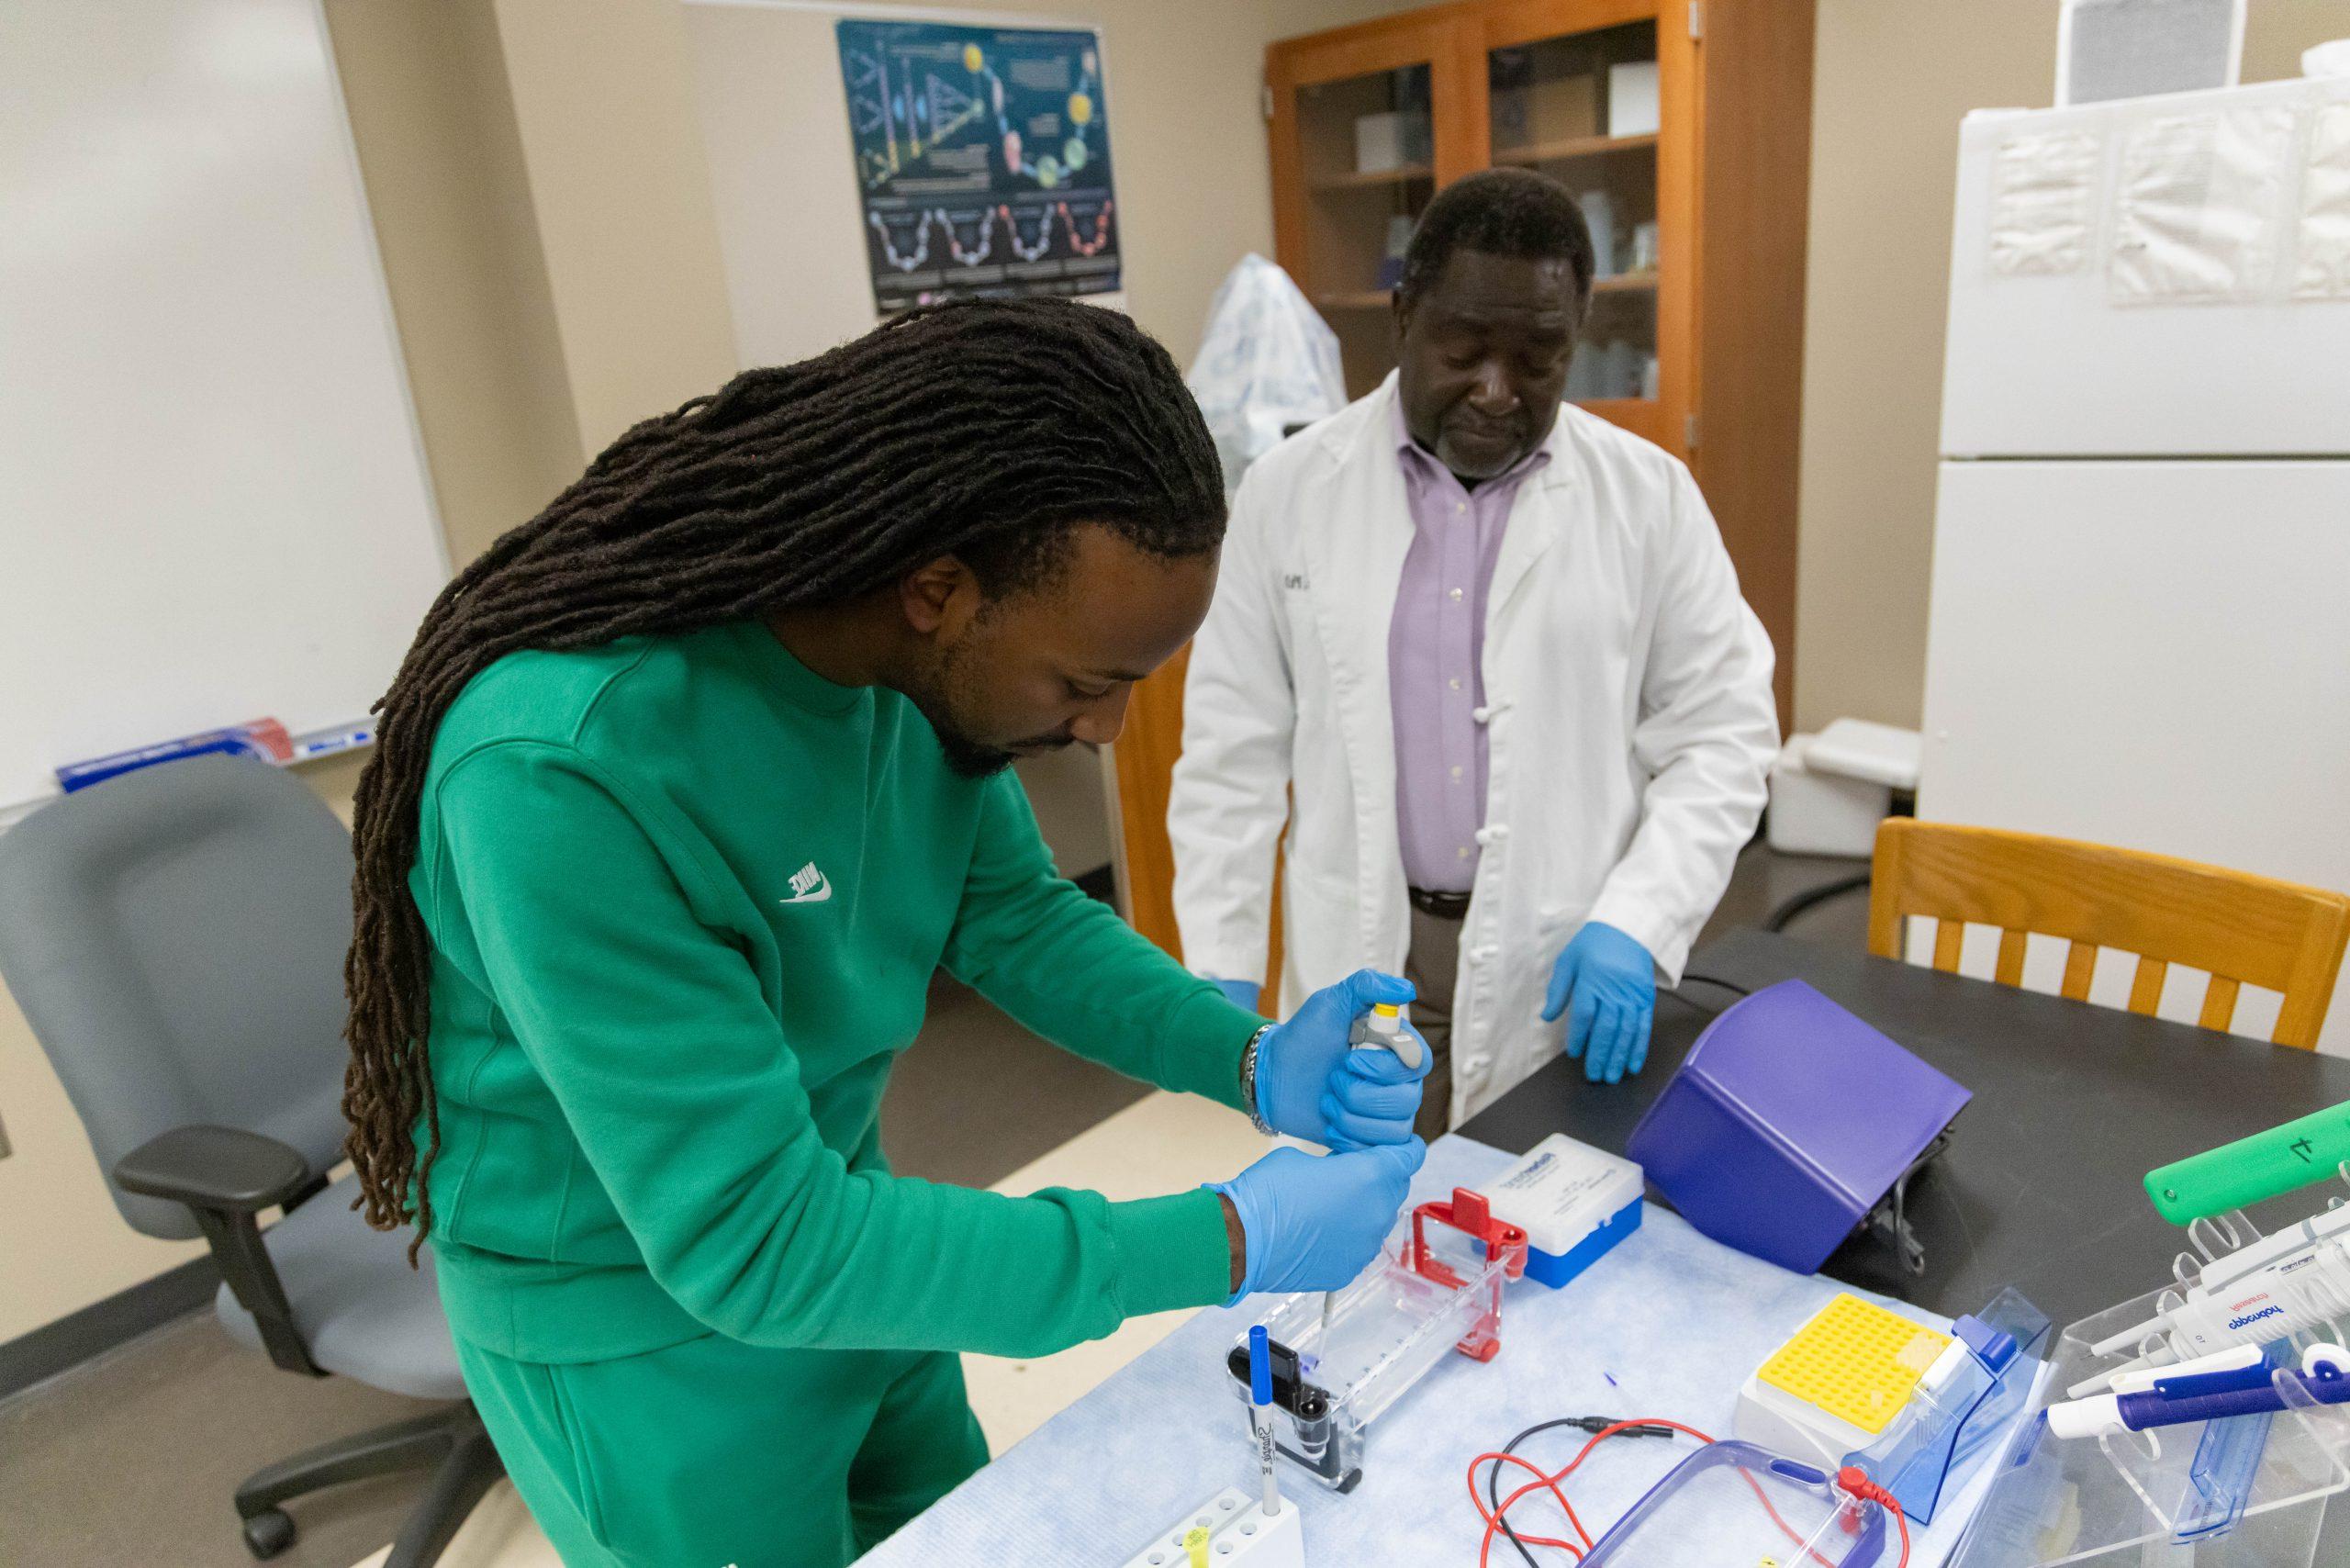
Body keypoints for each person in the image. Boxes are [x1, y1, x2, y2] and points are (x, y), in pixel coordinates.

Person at [338, 301, 1432, 1568]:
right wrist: (1224, 1239)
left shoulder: (914, 678)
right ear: (937, 590)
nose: (1106, 732)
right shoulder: (562, 767)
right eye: (1085, 685)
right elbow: (752, 1242)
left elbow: (1011, 914)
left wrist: (1244, 1058)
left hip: (851, 1238)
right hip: (642, 1339)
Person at [1169, 168, 1777, 1138]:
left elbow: (1724, 733)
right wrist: (1220, 973)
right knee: (1363, 1236)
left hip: (1557, 950)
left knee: (1536, 1235)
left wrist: (1640, 916)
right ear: (1405, 315)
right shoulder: (1290, 492)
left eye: (1537, 358)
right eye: (1464, 348)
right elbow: (1231, 754)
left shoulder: (1647, 499)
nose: (1497, 392)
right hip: (1361, 940)